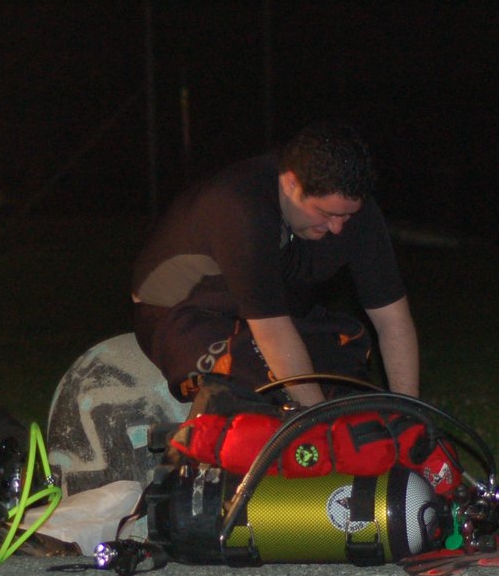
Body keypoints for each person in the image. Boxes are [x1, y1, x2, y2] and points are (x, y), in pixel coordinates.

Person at [132, 121, 420, 408]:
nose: (337, 228)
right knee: (260, 383)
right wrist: (314, 421)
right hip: (186, 316)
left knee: (346, 370)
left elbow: (392, 319)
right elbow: (272, 331)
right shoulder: (241, 207)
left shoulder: (356, 212)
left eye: (346, 215)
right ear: (291, 182)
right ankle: (191, 449)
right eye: (325, 213)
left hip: (275, 316)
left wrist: (410, 412)